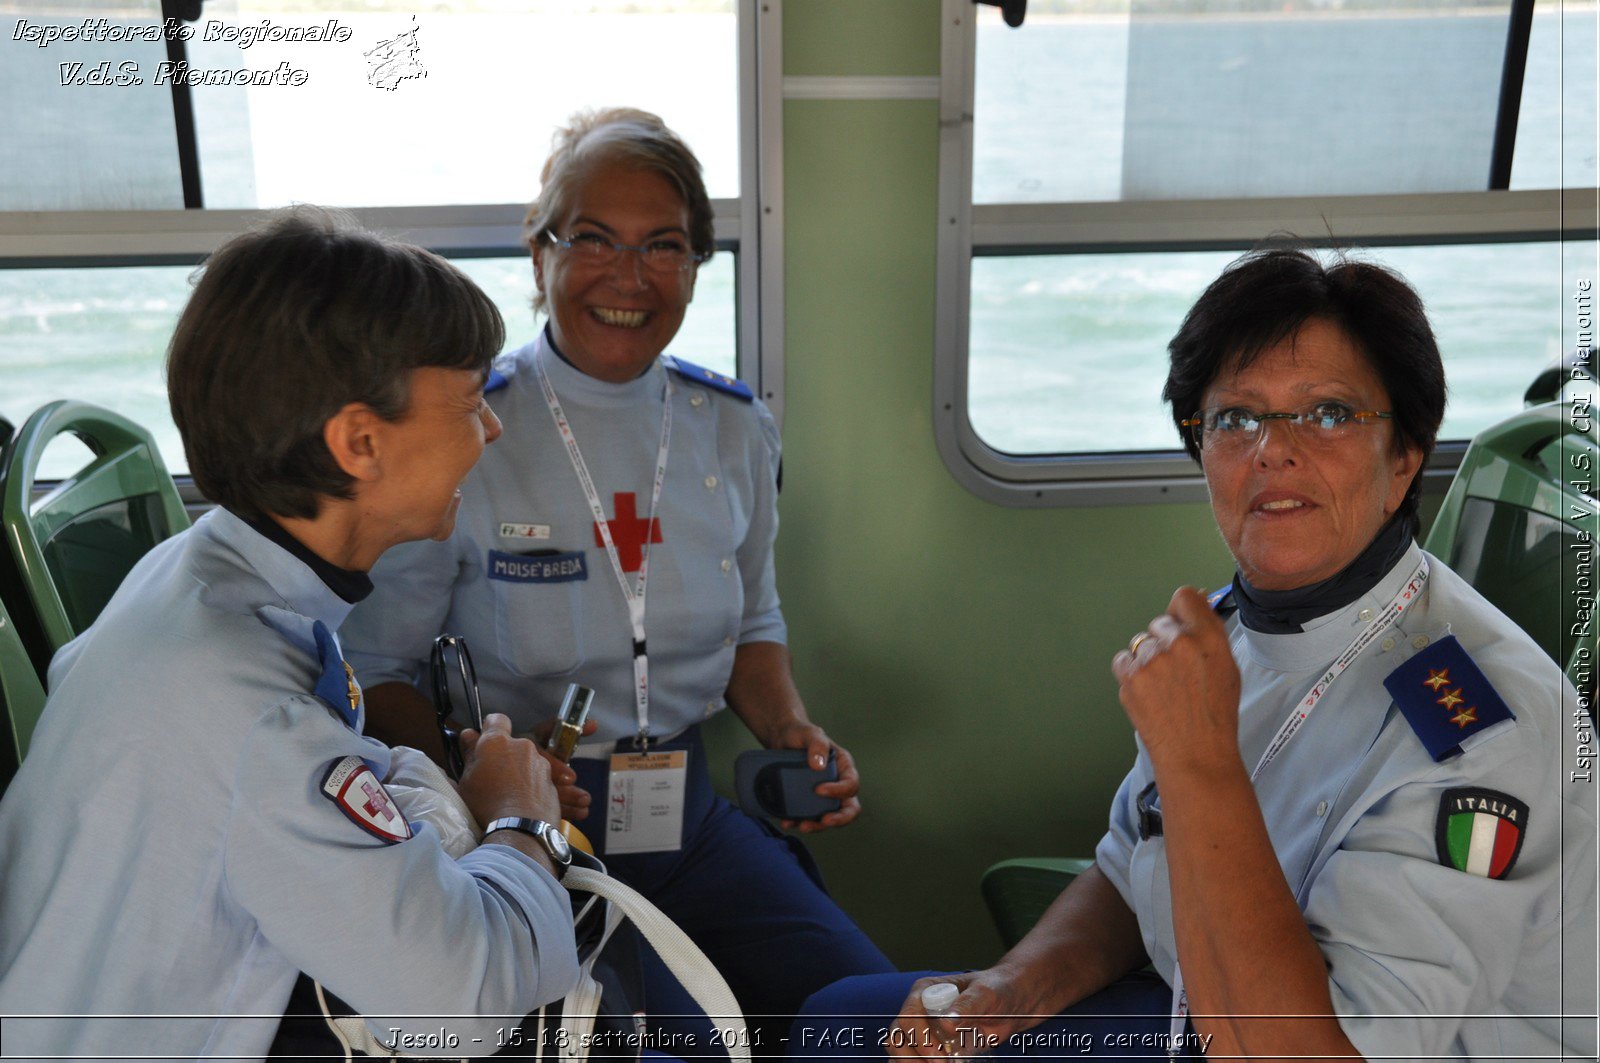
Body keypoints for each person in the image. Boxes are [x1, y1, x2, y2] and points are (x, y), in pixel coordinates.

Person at [791, 249, 1597, 1060]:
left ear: (1406, 458)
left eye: (1328, 414)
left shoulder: (1478, 729)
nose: (1272, 450)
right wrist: (1013, 987)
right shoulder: (1227, 628)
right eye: (1236, 417)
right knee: (834, 1022)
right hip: (1198, 1009)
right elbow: (1131, 863)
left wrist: (1199, 760)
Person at [338, 107, 892, 1047]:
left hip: (695, 818)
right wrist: (479, 776)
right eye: (592, 238)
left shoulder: (734, 425)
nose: (628, 278)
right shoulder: (471, 431)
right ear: (538, 249)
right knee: (682, 1041)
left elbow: (754, 618)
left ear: (696, 265)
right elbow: (378, 669)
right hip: (539, 834)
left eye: (663, 246)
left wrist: (793, 730)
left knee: (878, 1013)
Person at [0, 208, 582, 1060]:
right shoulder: (256, 714)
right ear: (358, 441)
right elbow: (462, 1010)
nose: (490, 429)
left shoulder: (189, 573)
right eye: (467, 402)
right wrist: (520, 823)